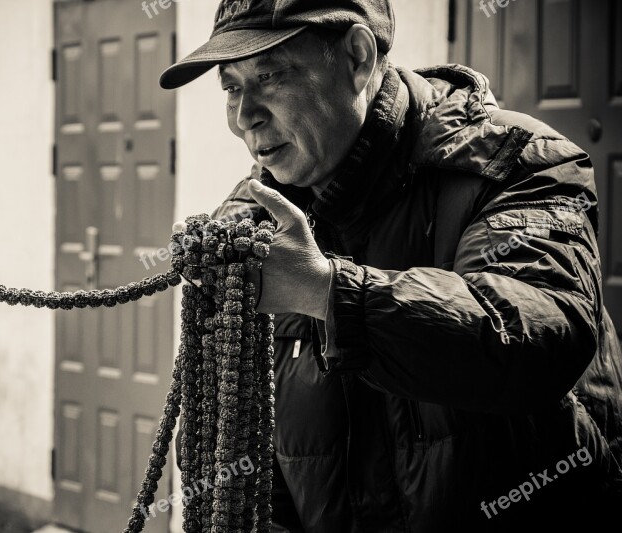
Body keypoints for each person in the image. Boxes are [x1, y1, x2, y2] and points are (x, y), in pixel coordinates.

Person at [161, 0, 622, 531]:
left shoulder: (520, 164)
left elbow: (534, 337)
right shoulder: (247, 229)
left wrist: (326, 293)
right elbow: (240, 465)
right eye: (232, 87)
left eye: (270, 76)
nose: (246, 117)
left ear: (357, 58)